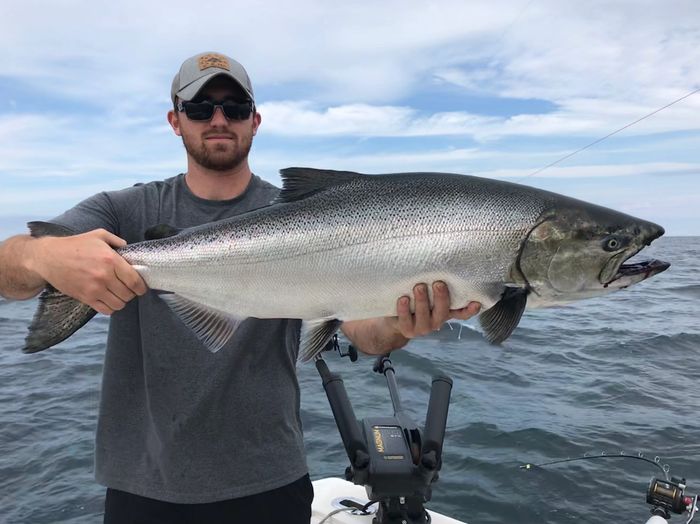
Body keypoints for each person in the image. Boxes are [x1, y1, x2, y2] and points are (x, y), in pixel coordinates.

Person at [0, 52, 481, 524]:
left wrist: (404, 322)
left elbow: (367, 334)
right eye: (199, 107)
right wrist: (40, 254)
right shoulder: (123, 212)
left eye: (234, 108)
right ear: (175, 120)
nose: (218, 119)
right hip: (142, 483)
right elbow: (8, 276)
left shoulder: (311, 219)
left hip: (268, 480)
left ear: (255, 120)